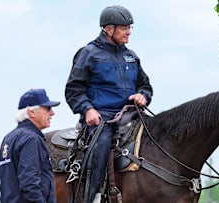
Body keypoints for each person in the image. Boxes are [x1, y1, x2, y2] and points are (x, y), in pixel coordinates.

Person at [65, 5, 153, 203]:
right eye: (124, 28)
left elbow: (145, 86)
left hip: (132, 115)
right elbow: (73, 90)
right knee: (102, 145)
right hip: (102, 118)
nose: (129, 32)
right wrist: (88, 109)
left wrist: (142, 96)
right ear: (108, 29)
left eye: (130, 27)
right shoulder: (89, 53)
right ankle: (91, 197)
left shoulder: (131, 56)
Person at [0, 88, 60, 203]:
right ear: (32, 112)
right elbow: (29, 185)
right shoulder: (31, 139)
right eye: (48, 108)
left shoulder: (8, 139)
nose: (52, 113)